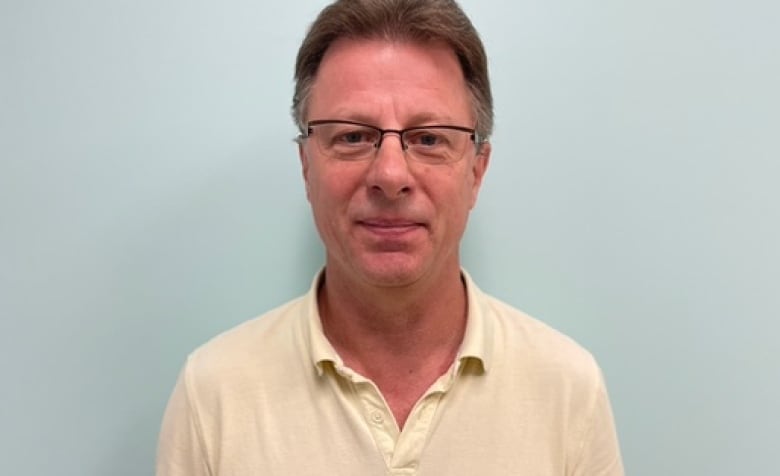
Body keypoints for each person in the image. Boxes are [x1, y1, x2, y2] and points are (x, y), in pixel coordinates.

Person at [156, 0, 624, 474]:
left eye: (429, 138)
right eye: (353, 136)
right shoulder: (213, 396)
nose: (391, 174)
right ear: (306, 167)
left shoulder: (568, 392)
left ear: (477, 173)